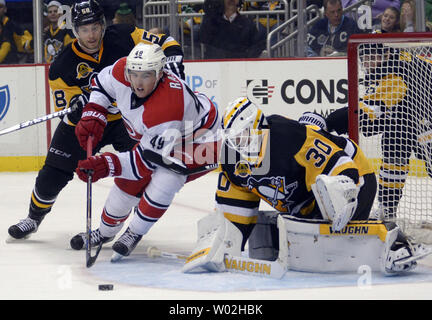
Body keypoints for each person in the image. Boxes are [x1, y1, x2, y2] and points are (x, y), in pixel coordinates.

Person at [181, 97, 431, 275]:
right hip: (305, 199)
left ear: (257, 127)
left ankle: (396, 242)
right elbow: (235, 208)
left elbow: (341, 163)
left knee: (328, 196)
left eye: (243, 136)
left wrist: (342, 199)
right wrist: (226, 246)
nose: (238, 144)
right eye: (233, 139)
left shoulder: (287, 136)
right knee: (304, 236)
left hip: (356, 177)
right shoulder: (231, 158)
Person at [7, 0, 185, 241]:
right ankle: (33, 217)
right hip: (87, 124)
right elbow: (66, 110)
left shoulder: (125, 35)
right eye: (83, 30)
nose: (90, 35)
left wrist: (173, 56)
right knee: (54, 172)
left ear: (103, 25)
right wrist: (78, 107)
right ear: (75, 31)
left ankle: (126, 222)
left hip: (126, 119)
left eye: (94, 28)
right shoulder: (62, 66)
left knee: (142, 166)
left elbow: (164, 41)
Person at [69, 43, 220, 259]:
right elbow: (102, 85)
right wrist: (94, 114)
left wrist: (106, 164)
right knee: (127, 184)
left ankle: (134, 232)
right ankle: (103, 232)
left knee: (166, 178)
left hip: (202, 140)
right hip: (166, 137)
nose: (138, 82)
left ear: (159, 73)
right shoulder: (122, 71)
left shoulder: (168, 106)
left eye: (146, 75)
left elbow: (145, 164)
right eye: (134, 74)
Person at [326, 43, 432, 220]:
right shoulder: (397, 62)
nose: (369, 63)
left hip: (424, 119)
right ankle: (387, 208)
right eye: (365, 59)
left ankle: (387, 208)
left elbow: (365, 112)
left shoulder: (396, 73)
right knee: (395, 140)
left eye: (373, 57)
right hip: (416, 117)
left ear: (387, 54)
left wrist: (328, 123)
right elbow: (379, 117)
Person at [199, 0, 265, 59]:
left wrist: (246, 58)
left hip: (240, 66)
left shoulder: (247, 24)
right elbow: (203, 38)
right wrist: (210, 14)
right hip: (216, 66)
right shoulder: (212, 22)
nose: (231, 0)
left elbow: (258, 45)